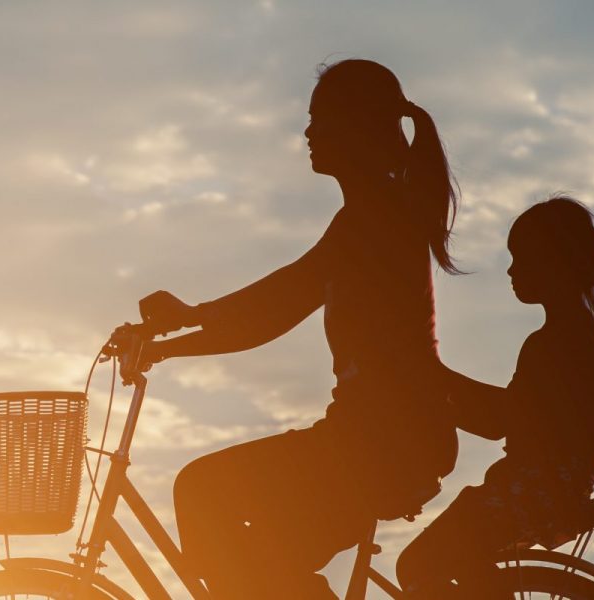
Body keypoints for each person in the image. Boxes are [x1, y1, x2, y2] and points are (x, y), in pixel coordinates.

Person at [129, 59, 462, 599]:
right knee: (259, 560)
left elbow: (276, 304)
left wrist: (183, 324)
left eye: (320, 119)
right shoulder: (370, 216)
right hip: (375, 439)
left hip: (380, 443)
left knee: (205, 494)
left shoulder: (373, 220)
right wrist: (175, 338)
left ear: (356, 126)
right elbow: (275, 309)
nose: (307, 132)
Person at [396, 197, 594, 598]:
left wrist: (435, 382)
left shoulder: (556, 343)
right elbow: (515, 416)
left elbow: (501, 421)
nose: (511, 270)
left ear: (553, 263)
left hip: (532, 494)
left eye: (521, 258)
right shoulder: (576, 337)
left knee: (418, 565)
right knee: (454, 562)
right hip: (548, 491)